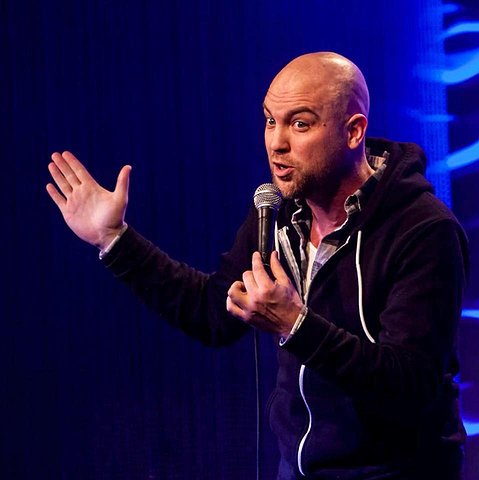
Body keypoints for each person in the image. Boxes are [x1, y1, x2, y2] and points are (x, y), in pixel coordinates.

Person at [46, 52, 468, 479]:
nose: (276, 143)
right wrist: (115, 240)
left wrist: (296, 325)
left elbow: (410, 385)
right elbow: (212, 314)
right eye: (270, 121)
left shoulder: (422, 230)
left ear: (353, 131)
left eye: (299, 124)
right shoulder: (278, 213)